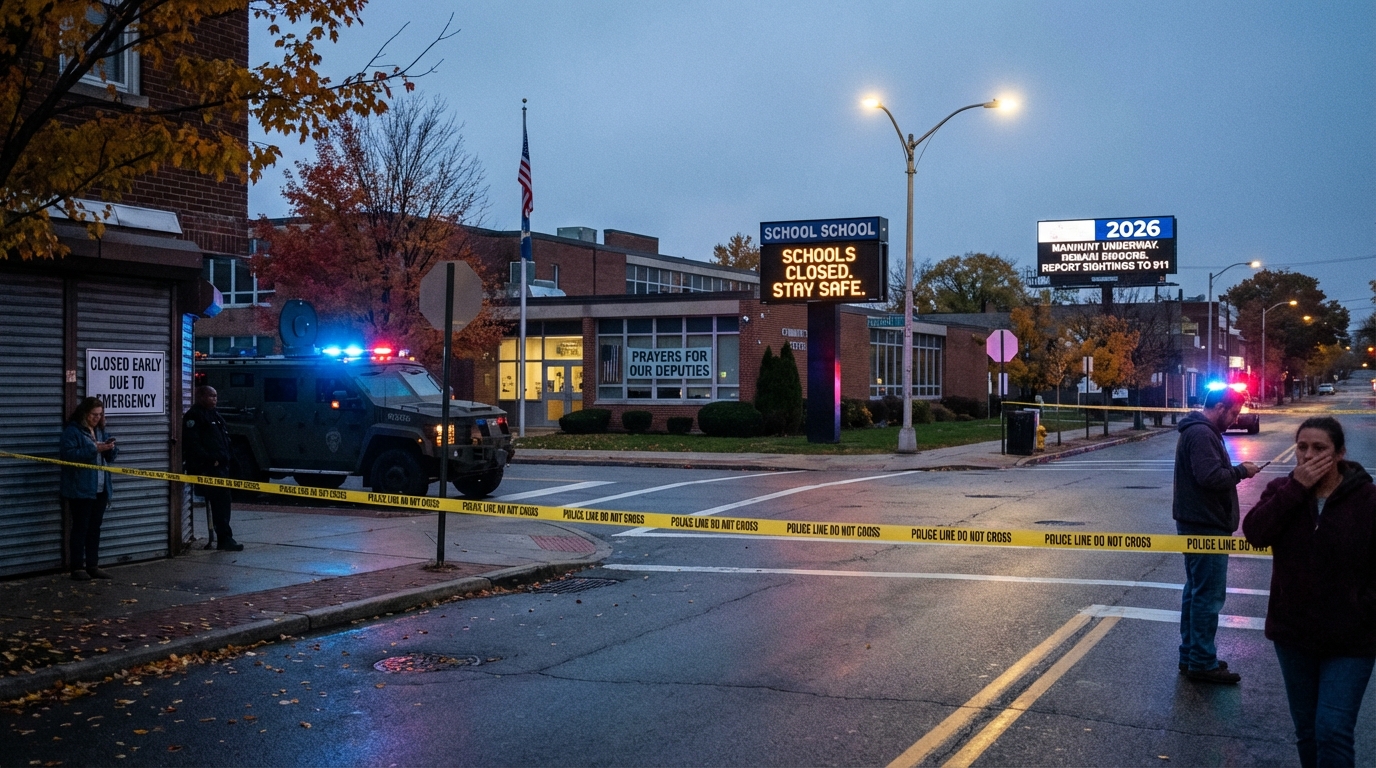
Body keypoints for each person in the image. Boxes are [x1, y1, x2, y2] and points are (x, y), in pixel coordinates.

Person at [1243, 417, 1376, 767]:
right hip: (1294, 634)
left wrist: (1364, 609)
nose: (1308, 455)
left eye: (1319, 448)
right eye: (1302, 447)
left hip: (1351, 640)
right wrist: (1295, 489)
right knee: (1308, 731)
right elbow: (1256, 532)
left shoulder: (1367, 499)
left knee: (1332, 730)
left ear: (1340, 454)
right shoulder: (1282, 492)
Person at [1173, 385, 1260, 683]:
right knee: (1207, 596)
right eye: (1233, 413)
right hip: (1204, 524)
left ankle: (1193, 655)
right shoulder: (1201, 434)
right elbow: (1209, 477)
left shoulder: (1201, 432)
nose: (1235, 419)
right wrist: (1241, 472)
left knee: (1196, 592)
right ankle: (1201, 661)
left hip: (1198, 521)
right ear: (1220, 407)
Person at [59, 397, 119, 580]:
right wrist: (94, 450)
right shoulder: (73, 432)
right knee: (80, 528)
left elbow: (109, 458)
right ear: (85, 413)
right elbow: (68, 456)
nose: (97, 418)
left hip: (100, 487)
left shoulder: (100, 431)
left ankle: (93, 565)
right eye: (94, 414)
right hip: (81, 488)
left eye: (100, 414)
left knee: (95, 528)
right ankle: (77, 567)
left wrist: (110, 448)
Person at [183, 385, 243, 551]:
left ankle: (226, 537)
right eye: (211, 396)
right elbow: (193, 444)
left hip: (222, 467)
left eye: (216, 396)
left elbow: (224, 440)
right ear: (201, 397)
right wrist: (210, 461)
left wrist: (232, 460)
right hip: (208, 469)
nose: (215, 399)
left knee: (224, 503)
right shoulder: (194, 416)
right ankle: (224, 539)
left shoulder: (215, 415)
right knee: (219, 504)